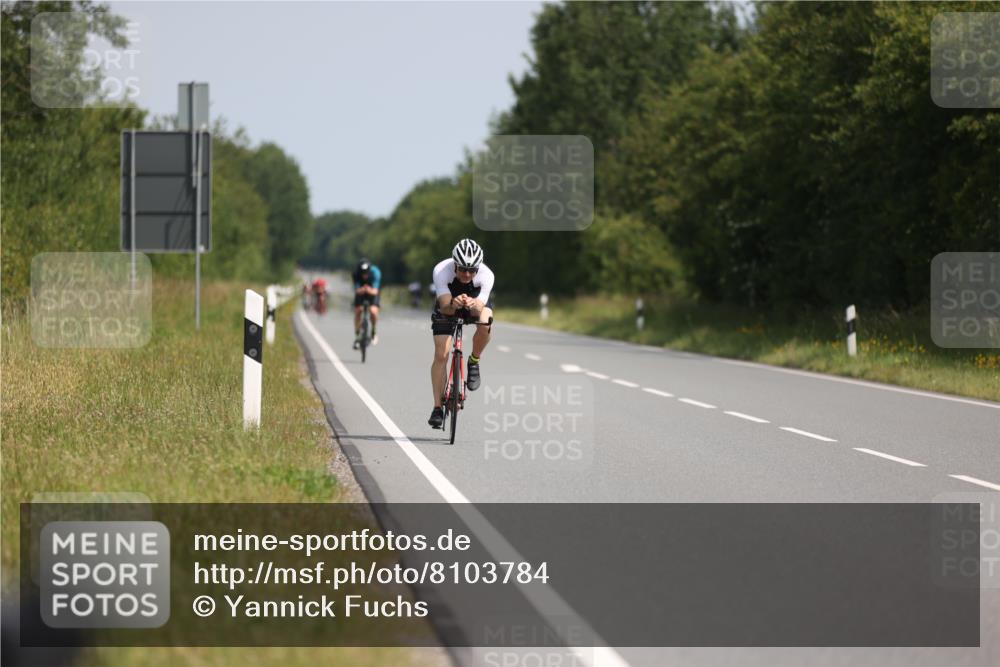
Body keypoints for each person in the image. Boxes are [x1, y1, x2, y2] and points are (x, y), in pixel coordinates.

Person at [428, 239, 494, 429]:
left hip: (475, 303)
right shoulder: (441, 270)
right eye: (463, 269)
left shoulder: (487, 275)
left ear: (478, 268)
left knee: (486, 323)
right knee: (441, 354)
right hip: (448, 303)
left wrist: (473, 304)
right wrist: (453, 304)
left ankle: (474, 360)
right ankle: (437, 408)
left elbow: (479, 309)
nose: (467, 274)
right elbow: (445, 307)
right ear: (455, 265)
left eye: (472, 270)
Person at [352, 258, 382, 346]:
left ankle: (373, 331)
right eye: (363, 273)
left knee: (373, 311)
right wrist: (362, 289)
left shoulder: (376, 273)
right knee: (358, 311)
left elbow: (375, 291)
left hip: (372, 291)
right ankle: (357, 335)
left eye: (366, 273)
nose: (364, 275)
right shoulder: (355, 274)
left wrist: (368, 290)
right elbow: (357, 290)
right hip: (361, 292)